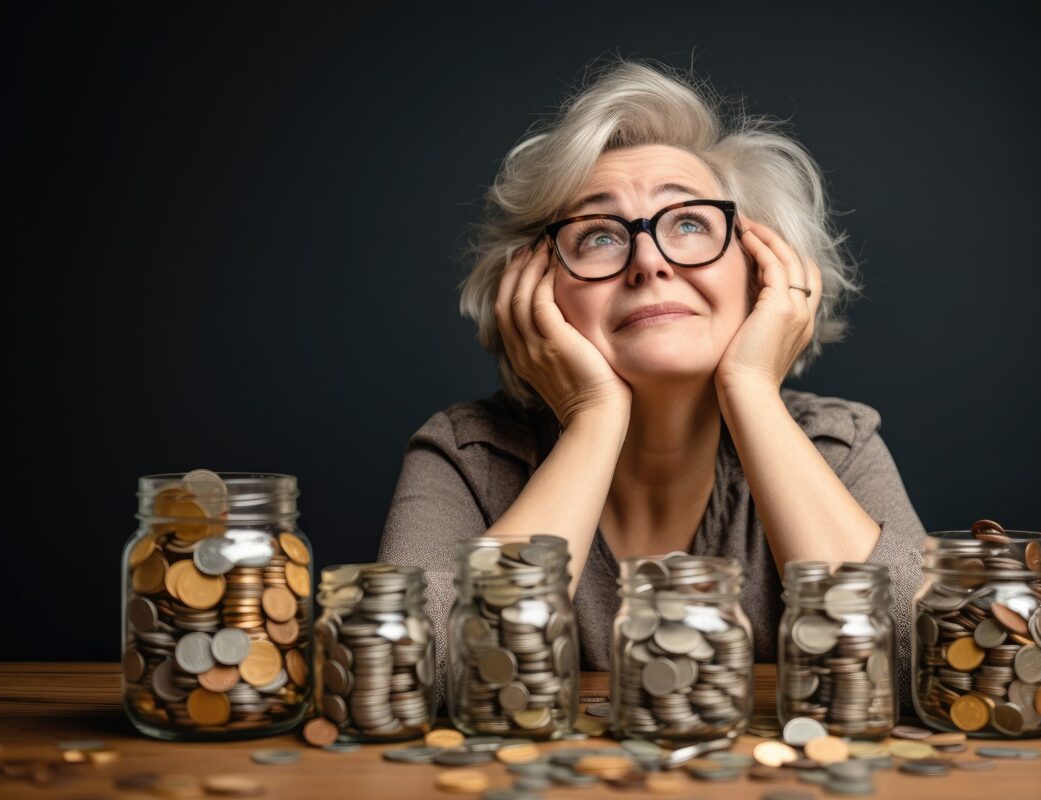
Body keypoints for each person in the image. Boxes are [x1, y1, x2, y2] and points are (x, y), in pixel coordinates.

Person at [378, 56, 926, 708]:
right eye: (599, 236)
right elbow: (401, 676)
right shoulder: (468, 458)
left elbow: (934, 663)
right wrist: (594, 416)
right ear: (533, 293)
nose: (648, 262)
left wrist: (752, 389)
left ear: (762, 273)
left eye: (689, 223)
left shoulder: (837, 446)